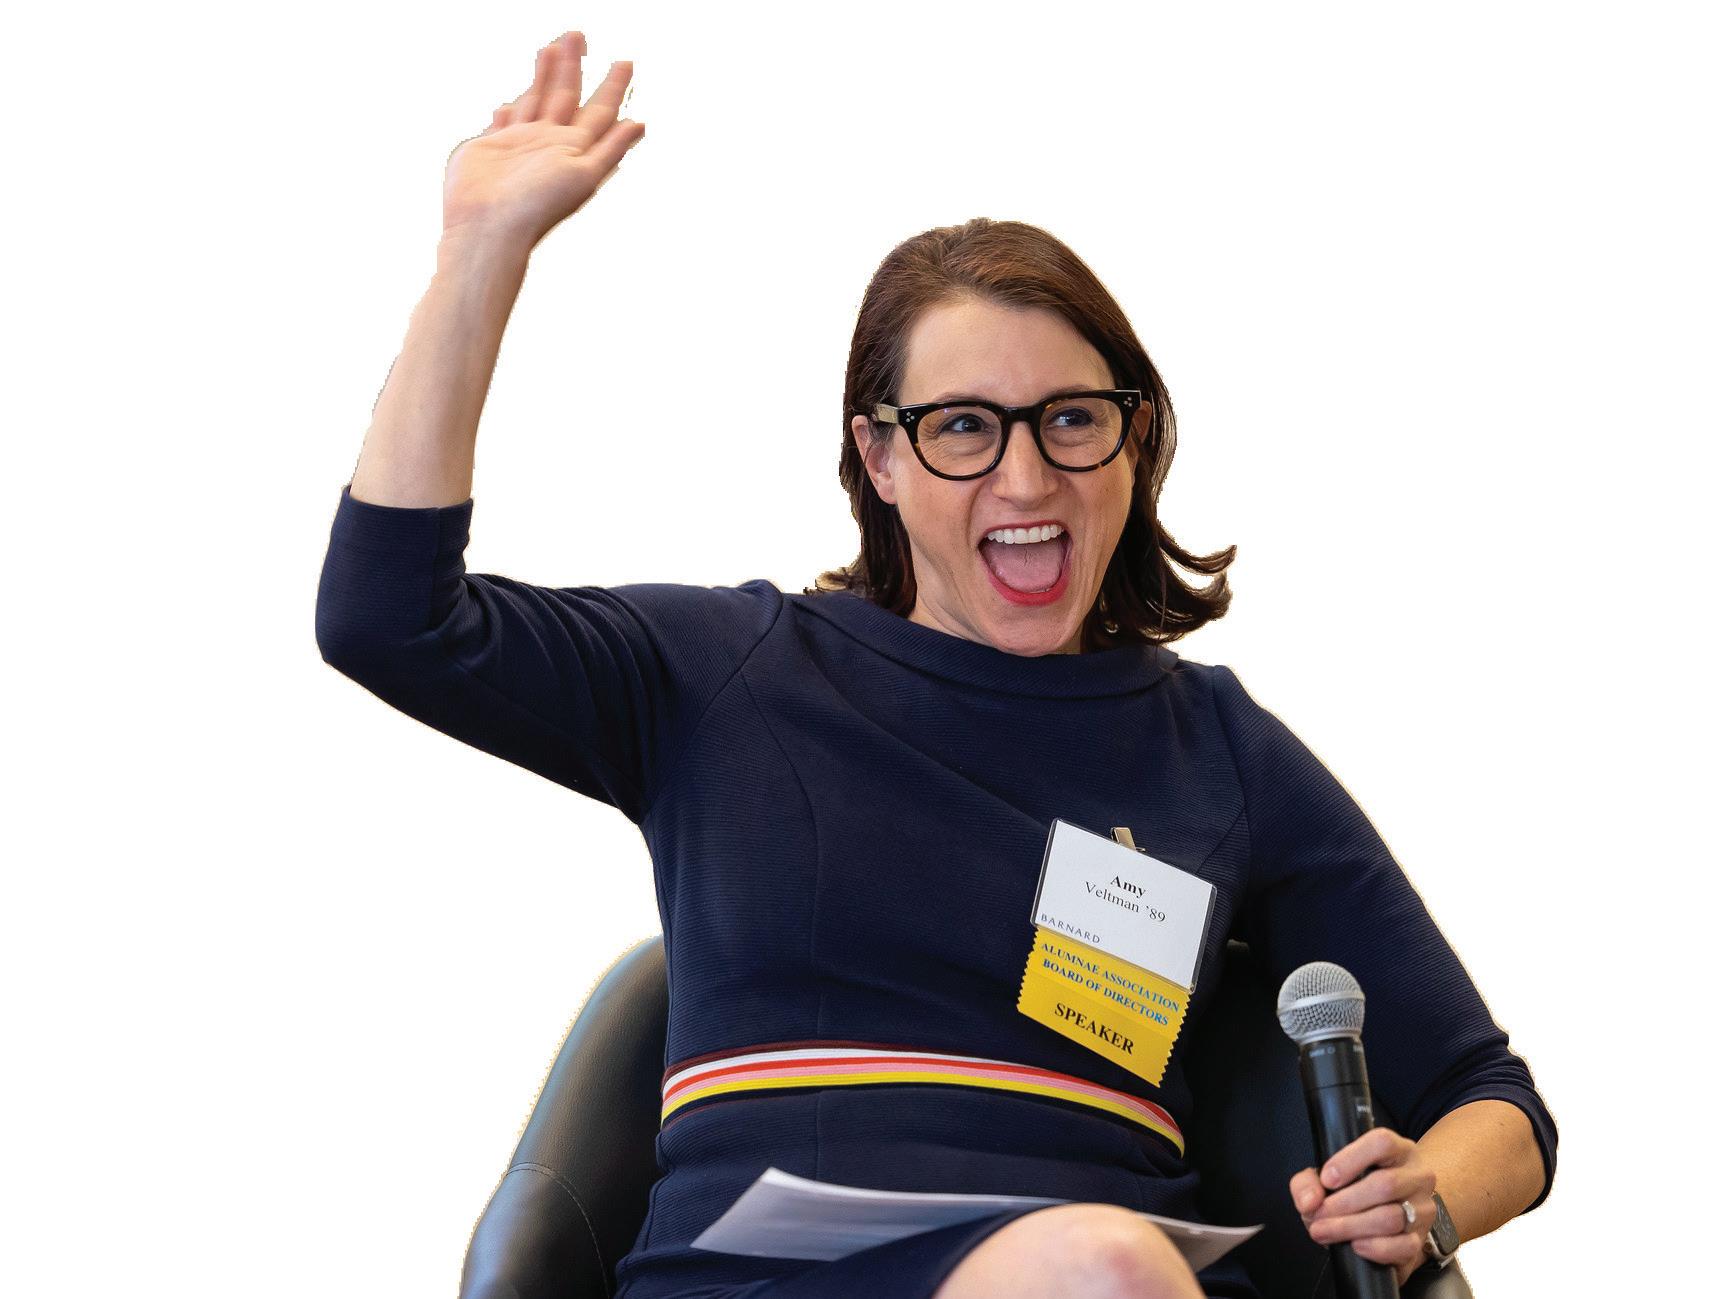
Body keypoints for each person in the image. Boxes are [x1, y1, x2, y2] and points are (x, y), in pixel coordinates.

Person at [314, 30, 1557, 1299]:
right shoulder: (726, 675)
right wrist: (479, 255)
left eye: (1070, 420)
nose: (1025, 478)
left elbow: (1490, 1101)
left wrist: (1428, 1200)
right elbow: (386, 620)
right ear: (881, 459)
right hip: (774, 1281)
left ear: (1133, 444)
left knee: (1101, 1267)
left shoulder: (1217, 749)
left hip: (1115, 1275)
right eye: (962, 427)